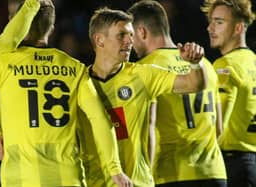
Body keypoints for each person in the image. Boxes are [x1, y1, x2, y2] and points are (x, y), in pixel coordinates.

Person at [0, 1, 133, 187]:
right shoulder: (75, 68)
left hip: (21, 177)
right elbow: (100, 119)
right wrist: (114, 169)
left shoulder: (2, 62)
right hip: (68, 177)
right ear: (51, 29)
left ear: (19, 24)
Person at [80, 7, 207, 186]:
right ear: (99, 40)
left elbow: (193, 84)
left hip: (137, 182)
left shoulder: (141, 75)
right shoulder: (79, 83)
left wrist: (195, 64)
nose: (129, 41)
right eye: (121, 35)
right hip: (95, 183)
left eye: (131, 35)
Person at [127, 1, 227, 187]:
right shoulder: (205, 65)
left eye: (132, 36)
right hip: (214, 172)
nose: (131, 44)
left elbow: (146, 128)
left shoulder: (144, 69)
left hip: (172, 172)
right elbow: (219, 129)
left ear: (141, 32)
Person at [0, 0, 40, 186]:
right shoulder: (2, 54)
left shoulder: (2, 53)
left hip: (5, 157)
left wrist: (32, 4)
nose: (11, 22)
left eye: (15, 18)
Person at [202, 0, 256, 187]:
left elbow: (216, 124)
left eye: (219, 22)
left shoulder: (225, 65)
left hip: (232, 165)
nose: (210, 28)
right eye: (211, 22)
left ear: (238, 28)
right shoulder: (253, 61)